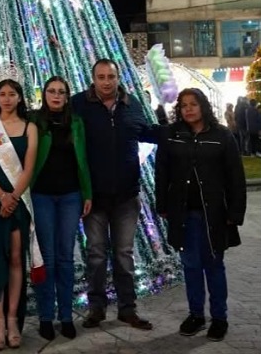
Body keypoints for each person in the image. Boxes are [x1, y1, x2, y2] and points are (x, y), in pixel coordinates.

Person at [70, 58, 160, 331]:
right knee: (96, 254)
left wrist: (177, 133)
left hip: (126, 196)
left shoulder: (131, 105)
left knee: (124, 254)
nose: (107, 81)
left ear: (118, 77)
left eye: (111, 76)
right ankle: (96, 308)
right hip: (94, 197)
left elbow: (145, 132)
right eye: (101, 77)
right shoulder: (78, 104)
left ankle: (127, 309)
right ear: (93, 79)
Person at [155, 87, 246, 342]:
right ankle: (196, 314)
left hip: (214, 214)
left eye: (193, 104)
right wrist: (161, 203)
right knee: (190, 266)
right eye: (184, 105)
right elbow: (161, 172)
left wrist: (235, 212)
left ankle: (219, 317)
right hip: (184, 215)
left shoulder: (222, 136)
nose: (189, 109)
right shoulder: (172, 136)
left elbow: (235, 177)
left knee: (214, 265)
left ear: (203, 106)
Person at [0, 72, 42, 351]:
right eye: (2, 94)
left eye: (11, 94)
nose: (6, 99)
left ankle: (14, 318)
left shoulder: (30, 128)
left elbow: (28, 168)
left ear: (19, 98)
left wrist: (13, 196)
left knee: (16, 257)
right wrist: (1, 195)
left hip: (19, 200)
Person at [29, 76, 92, 341]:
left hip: (70, 196)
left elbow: (83, 159)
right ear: (44, 94)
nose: (56, 96)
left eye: (61, 92)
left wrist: (87, 193)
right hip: (41, 196)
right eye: (51, 91)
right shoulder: (34, 121)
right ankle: (46, 316)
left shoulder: (76, 122)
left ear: (67, 96)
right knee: (47, 258)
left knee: (66, 258)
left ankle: (66, 315)